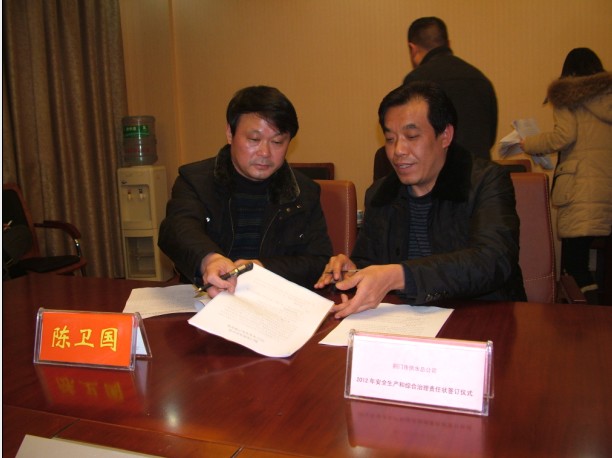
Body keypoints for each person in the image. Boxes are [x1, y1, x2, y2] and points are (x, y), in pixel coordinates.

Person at [316, 81, 526, 318]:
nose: (398, 151)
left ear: (445, 136)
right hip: (405, 322)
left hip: (481, 318)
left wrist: (401, 275)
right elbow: (370, 262)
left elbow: (493, 261)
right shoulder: (380, 193)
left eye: (412, 136)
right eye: (390, 139)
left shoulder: (486, 181)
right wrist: (353, 272)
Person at [159, 85, 332, 296]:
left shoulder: (304, 192)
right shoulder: (195, 181)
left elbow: (319, 261)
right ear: (230, 133)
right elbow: (177, 230)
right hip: (206, 300)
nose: (265, 152)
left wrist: (263, 269)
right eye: (254, 139)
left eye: (277, 142)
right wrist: (209, 260)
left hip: (274, 302)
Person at [521, 48, 612, 299]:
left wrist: (528, 144)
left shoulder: (567, 96)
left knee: (574, 267)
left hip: (581, 190)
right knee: (602, 268)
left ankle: (587, 311)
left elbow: (564, 136)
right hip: (606, 189)